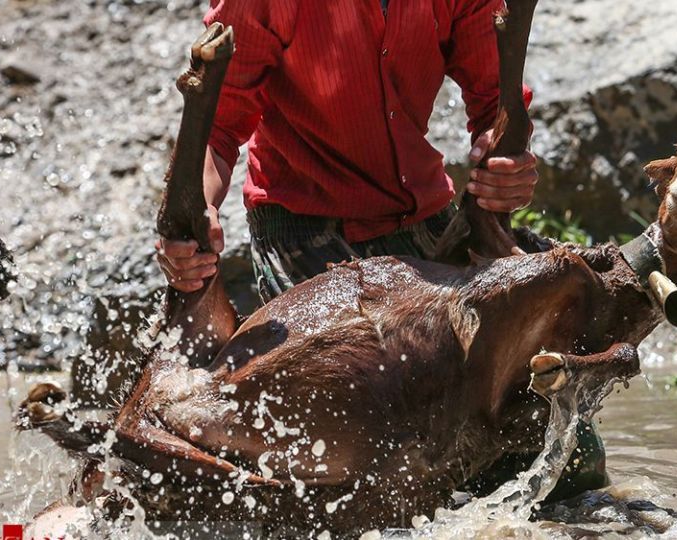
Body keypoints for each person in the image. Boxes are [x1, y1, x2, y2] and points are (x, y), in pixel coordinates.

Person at [155, 0, 605, 501]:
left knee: (569, 460)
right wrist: (200, 211)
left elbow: (493, 102)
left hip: (426, 222)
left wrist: (507, 166)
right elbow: (216, 128)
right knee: (375, 460)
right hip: (304, 230)